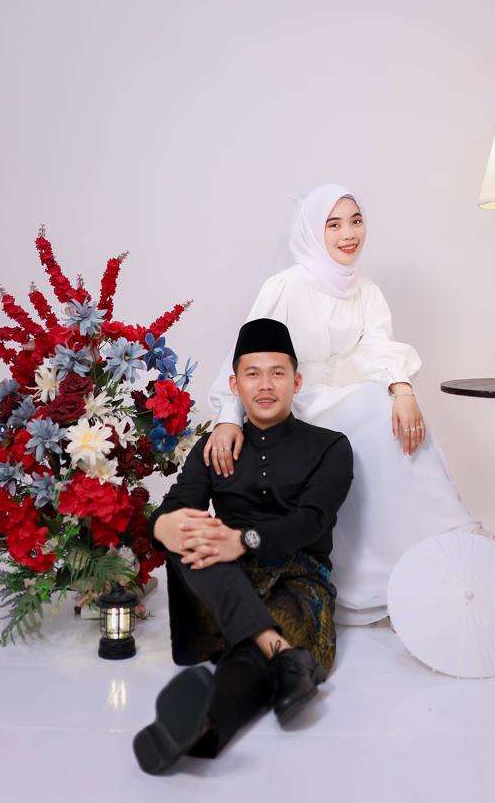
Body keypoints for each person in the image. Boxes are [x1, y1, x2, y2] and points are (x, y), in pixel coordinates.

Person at [205, 183, 490, 625]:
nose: (349, 233)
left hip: (343, 397)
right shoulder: (287, 286)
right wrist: (228, 416)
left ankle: (444, 541)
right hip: (293, 402)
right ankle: (449, 539)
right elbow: (246, 355)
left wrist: (403, 391)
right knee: (375, 406)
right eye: (334, 224)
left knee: (390, 412)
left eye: (356, 221)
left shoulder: (366, 291)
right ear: (311, 231)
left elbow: (379, 348)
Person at [134, 317, 353, 775]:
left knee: (264, 643)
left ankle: (203, 727)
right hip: (223, 584)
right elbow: (172, 509)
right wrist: (164, 528)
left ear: (297, 381)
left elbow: (313, 521)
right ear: (235, 385)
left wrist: (243, 540)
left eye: (277, 373)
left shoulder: (331, 447)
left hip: (299, 580)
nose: (265, 385)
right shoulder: (214, 447)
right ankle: (279, 652)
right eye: (253, 374)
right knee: (192, 535)